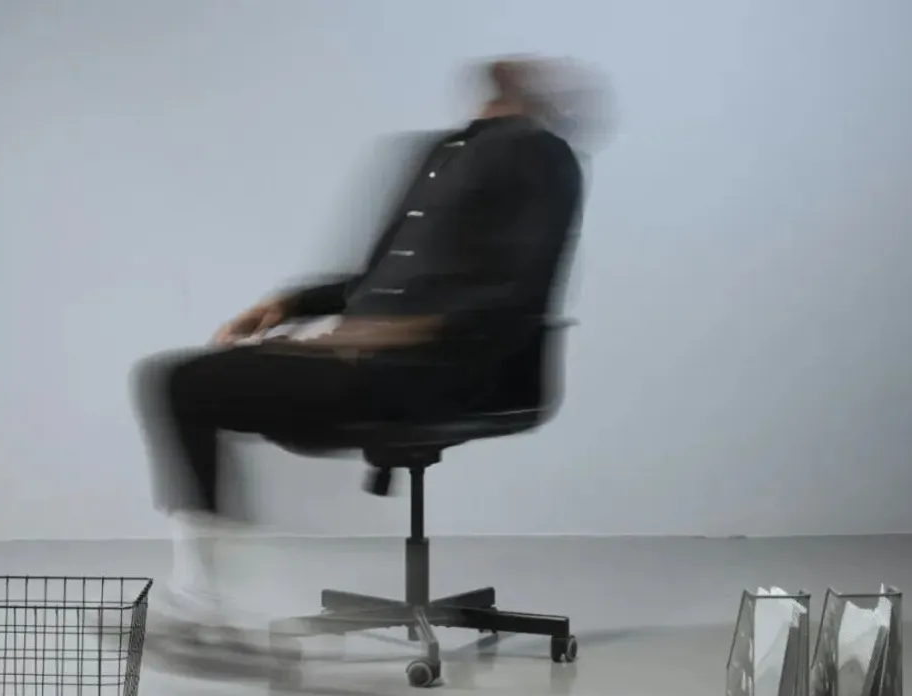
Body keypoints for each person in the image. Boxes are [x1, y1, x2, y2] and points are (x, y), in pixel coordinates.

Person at [133, 57, 592, 638]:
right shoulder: (444, 152)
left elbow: (518, 295)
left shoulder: (543, 157)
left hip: (451, 370)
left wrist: (391, 333)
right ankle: (204, 596)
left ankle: (207, 604)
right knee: (185, 379)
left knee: (187, 383)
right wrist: (291, 304)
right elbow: (376, 282)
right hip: (376, 355)